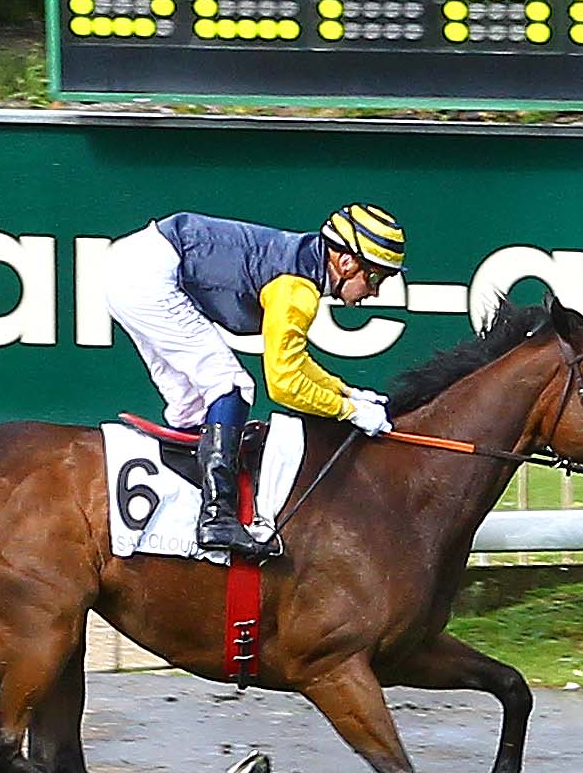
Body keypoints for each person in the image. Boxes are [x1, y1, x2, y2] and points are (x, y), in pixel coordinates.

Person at [99, 202, 409, 557]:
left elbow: (295, 363)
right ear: (345, 261)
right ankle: (217, 518)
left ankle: (181, 515)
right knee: (231, 388)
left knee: (191, 408)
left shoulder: (301, 272)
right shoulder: (297, 288)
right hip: (149, 276)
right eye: (375, 277)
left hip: (131, 267)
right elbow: (283, 383)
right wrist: (348, 411)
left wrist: (346, 391)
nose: (375, 292)